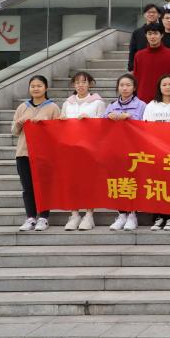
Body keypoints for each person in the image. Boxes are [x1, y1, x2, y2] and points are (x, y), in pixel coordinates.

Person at [13, 75, 61, 232]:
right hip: (23, 153)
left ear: (46, 88)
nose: (35, 88)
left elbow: (59, 132)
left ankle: (43, 218)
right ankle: (30, 217)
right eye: (32, 86)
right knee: (27, 187)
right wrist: (19, 122)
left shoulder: (53, 107)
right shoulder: (22, 107)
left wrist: (46, 123)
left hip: (44, 155)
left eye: (39, 86)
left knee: (43, 186)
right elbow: (14, 132)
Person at [60, 71, 106, 231]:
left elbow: (104, 125)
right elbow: (61, 125)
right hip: (70, 148)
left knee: (89, 181)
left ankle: (88, 214)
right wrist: (61, 120)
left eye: (84, 82)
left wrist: (90, 121)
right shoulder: (68, 103)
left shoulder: (98, 102)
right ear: (73, 85)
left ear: (90, 84)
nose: (80, 85)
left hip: (90, 149)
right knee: (72, 182)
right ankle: (74, 214)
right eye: (77, 82)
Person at [103, 74, 147, 232]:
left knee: (133, 181)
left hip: (134, 148)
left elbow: (146, 125)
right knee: (118, 181)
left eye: (128, 85)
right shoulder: (112, 106)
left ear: (134, 88)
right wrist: (107, 117)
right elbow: (101, 125)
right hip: (116, 148)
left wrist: (130, 118)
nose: (125, 88)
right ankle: (121, 214)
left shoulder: (141, 105)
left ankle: (132, 215)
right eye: (122, 85)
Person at [143, 75, 170, 232]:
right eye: (164, 84)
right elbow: (145, 128)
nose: (167, 87)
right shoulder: (151, 106)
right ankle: (158, 216)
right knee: (157, 185)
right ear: (159, 87)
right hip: (155, 151)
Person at [132, 22, 170, 103]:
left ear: (161, 35)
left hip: (165, 98)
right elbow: (136, 78)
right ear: (146, 35)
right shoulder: (139, 55)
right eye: (149, 34)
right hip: (143, 99)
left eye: (155, 33)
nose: (152, 37)